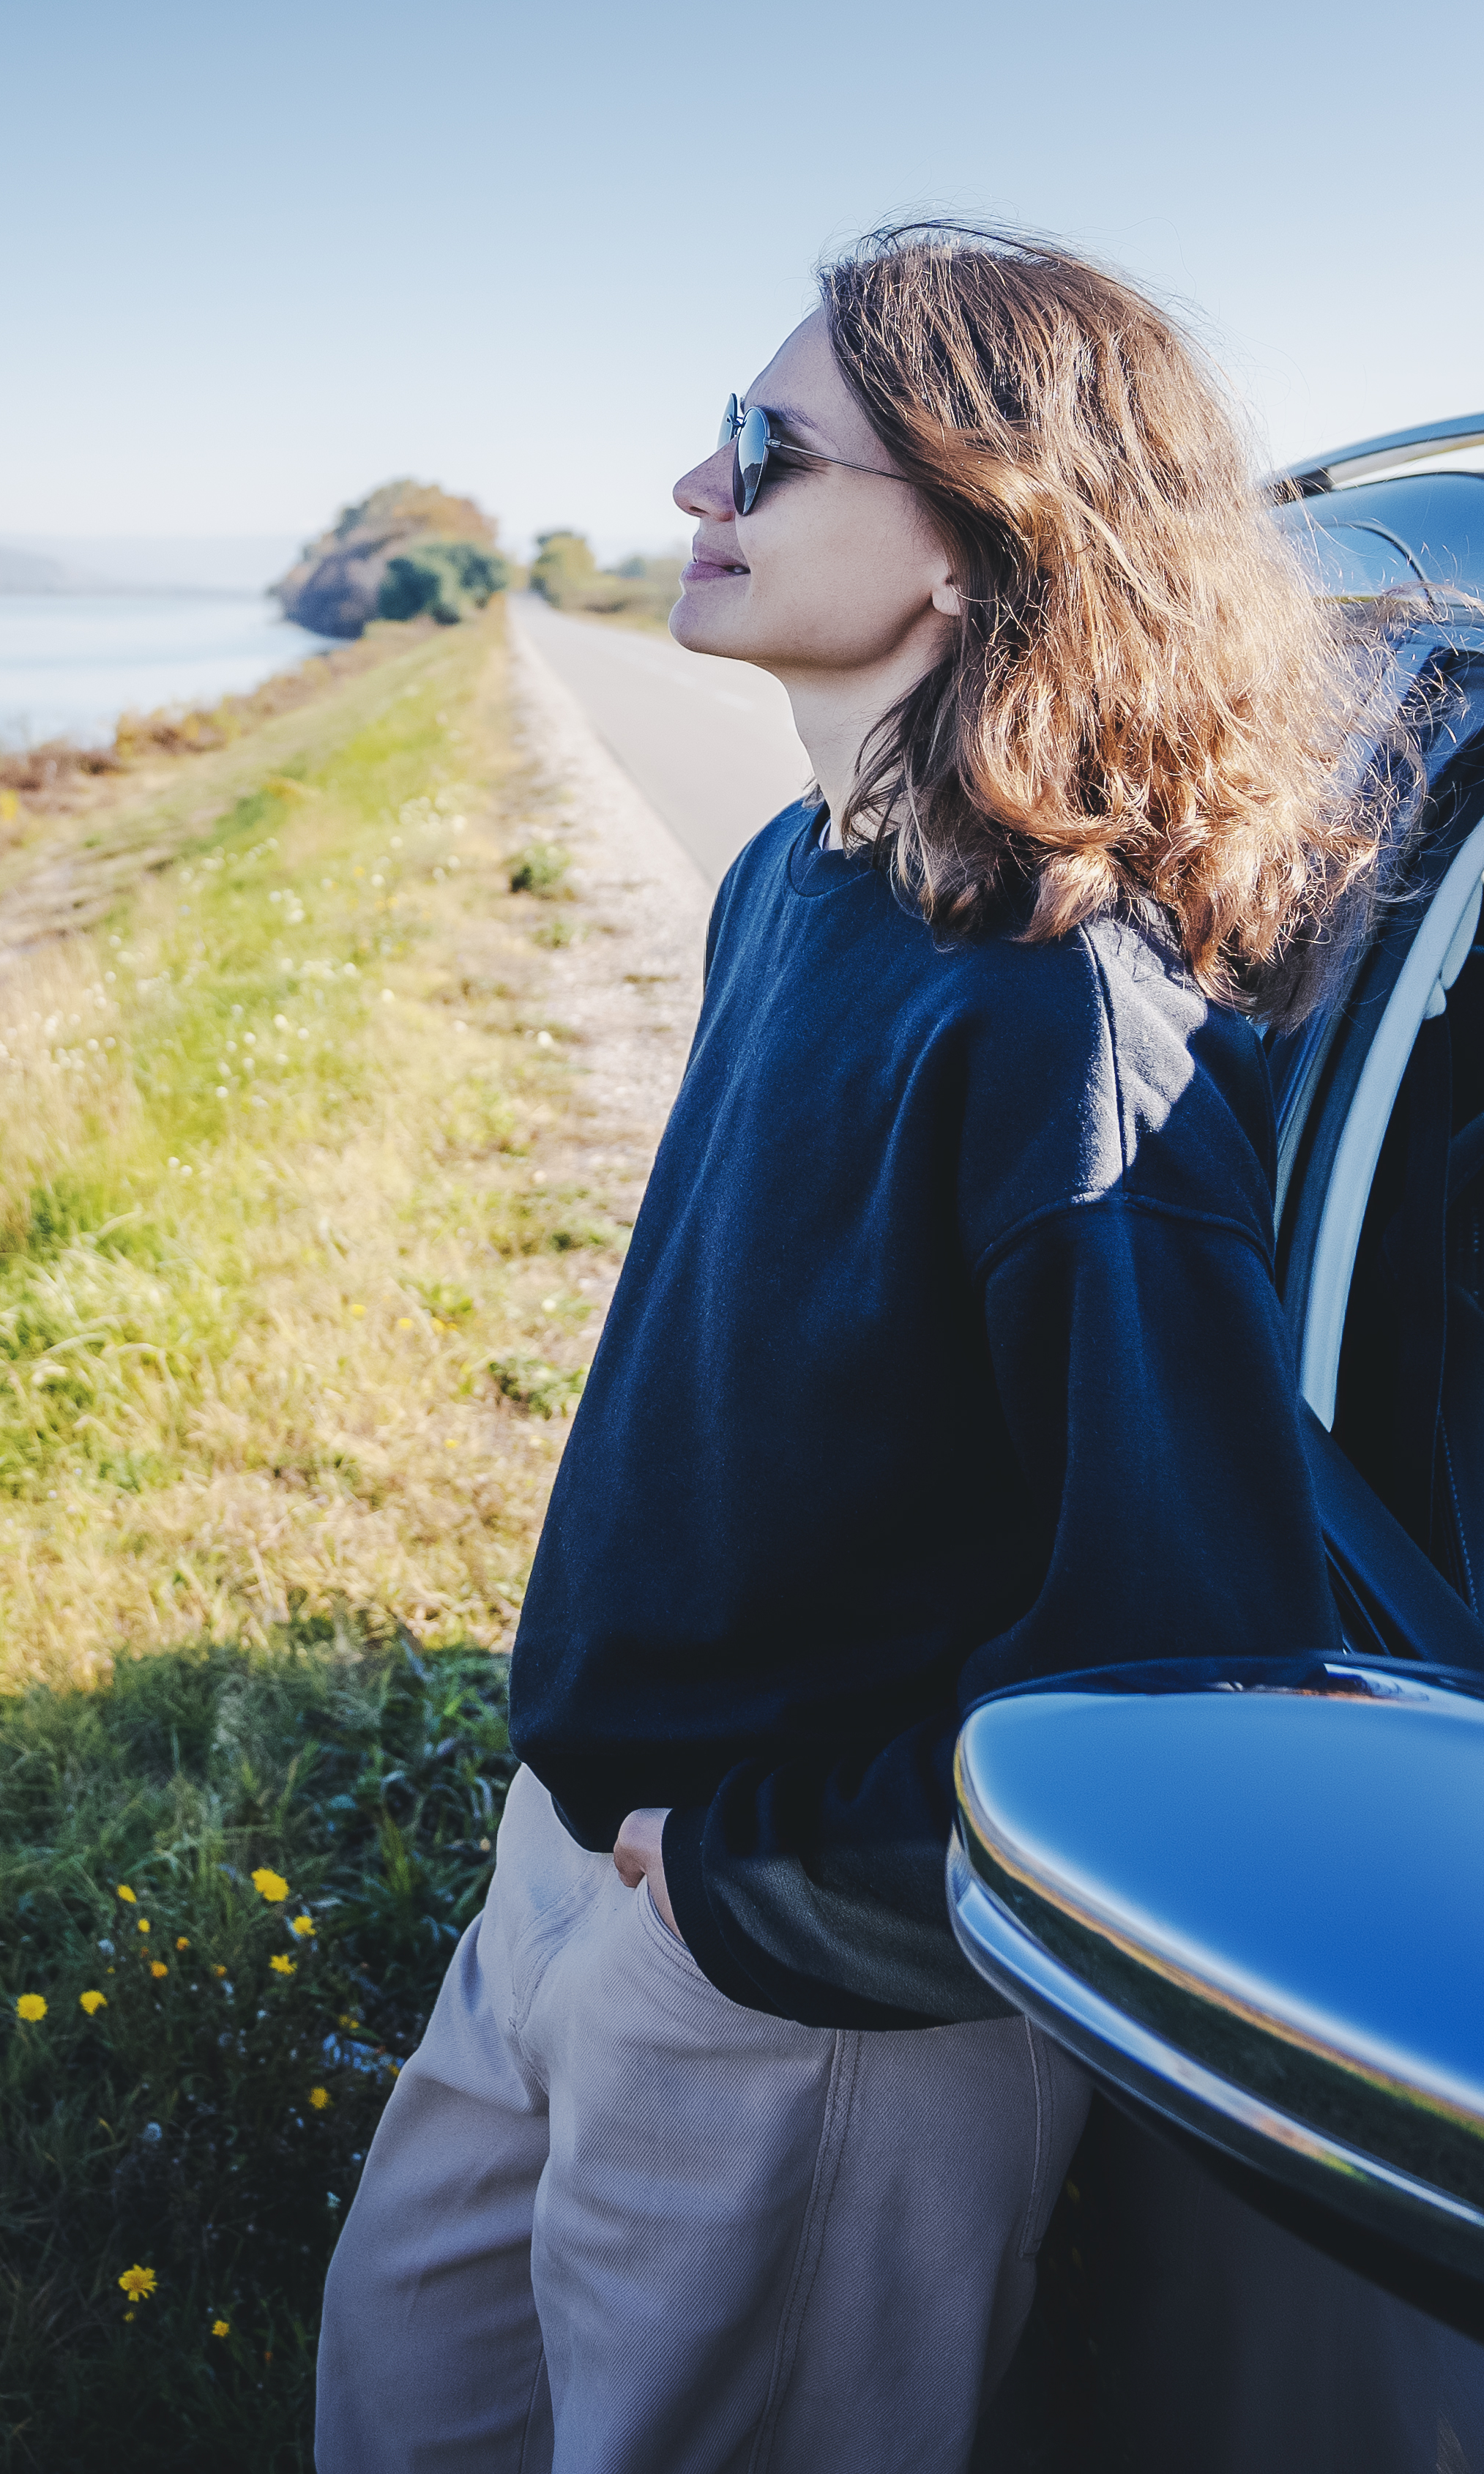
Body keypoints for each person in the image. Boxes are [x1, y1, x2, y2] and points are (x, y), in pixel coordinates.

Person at [313, 221, 1394, 2473]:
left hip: (808, 1985)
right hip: (580, 1859)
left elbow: (1190, 1683)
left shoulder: (1068, 1038)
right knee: (402, 2401)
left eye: (759, 448)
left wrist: (749, 1890)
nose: (692, 495)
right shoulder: (794, 881)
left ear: (976, 533)